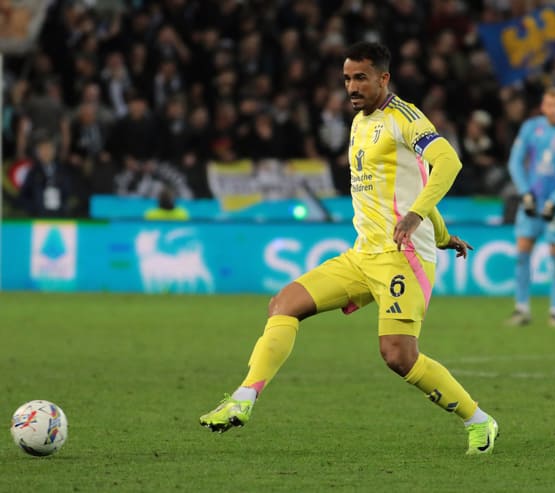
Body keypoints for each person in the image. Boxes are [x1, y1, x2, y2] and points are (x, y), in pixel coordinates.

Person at [199, 41, 499, 455]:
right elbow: (410, 181)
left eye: (360, 77)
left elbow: (447, 163)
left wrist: (417, 219)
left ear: (383, 78)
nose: (352, 86)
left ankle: (479, 421)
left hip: (403, 257)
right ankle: (243, 398)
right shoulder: (360, 123)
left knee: (397, 356)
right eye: (346, 79)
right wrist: (443, 233)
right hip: (362, 255)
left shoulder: (405, 118)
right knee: (284, 304)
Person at [505, 87, 555, 328]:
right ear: (543, 106)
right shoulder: (531, 128)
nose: (554, 110)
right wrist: (524, 192)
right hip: (532, 199)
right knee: (522, 252)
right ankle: (521, 309)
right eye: (549, 105)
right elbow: (515, 161)